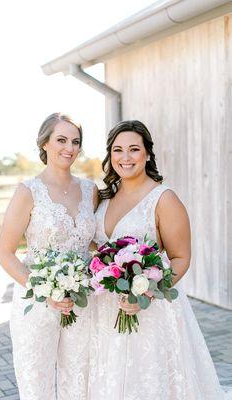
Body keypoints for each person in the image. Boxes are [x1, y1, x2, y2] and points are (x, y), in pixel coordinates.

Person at [89, 120, 227, 399]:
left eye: (133, 149)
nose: (125, 157)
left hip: (151, 310)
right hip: (106, 310)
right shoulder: (103, 199)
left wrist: (146, 294)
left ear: (148, 154)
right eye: (117, 150)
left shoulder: (164, 199)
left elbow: (180, 257)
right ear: (110, 155)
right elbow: (96, 247)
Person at [0, 112, 98, 400]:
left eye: (75, 141)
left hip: (81, 302)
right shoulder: (28, 191)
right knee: (36, 385)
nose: (69, 148)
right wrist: (42, 289)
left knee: (79, 382)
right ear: (44, 144)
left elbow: (93, 242)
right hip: (37, 303)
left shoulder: (90, 191)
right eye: (61, 140)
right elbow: (4, 252)